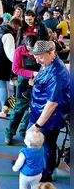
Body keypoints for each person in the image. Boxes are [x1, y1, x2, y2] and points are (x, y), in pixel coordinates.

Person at [27, 40, 70, 182]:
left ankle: (46, 173)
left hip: (49, 117)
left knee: (47, 145)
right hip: (38, 111)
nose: (38, 60)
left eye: (40, 56)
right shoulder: (47, 64)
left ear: (52, 53)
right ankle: (30, 162)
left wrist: (38, 125)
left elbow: (52, 104)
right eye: (36, 57)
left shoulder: (56, 74)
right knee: (32, 141)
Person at [4, 35, 39, 144]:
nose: (31, 51)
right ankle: (9, 133)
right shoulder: (19, 51)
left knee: (32, 110)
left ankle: (24, 131)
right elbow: (15, 69)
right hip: (23, 85)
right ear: (25, 44)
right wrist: (31, 74)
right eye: (29, 48)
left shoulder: (39, 50)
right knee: (18, 110)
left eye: (33, 49)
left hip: (37, 85)